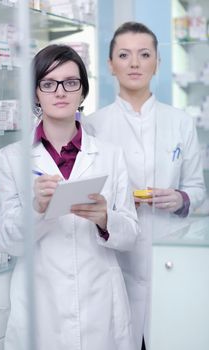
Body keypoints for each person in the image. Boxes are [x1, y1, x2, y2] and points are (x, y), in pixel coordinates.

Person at [0, 44, 140, 350]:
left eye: (70, 83)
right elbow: (9, 241)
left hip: (100, 305)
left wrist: (104, 219)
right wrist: (36, 208)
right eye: (48, 84)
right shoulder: (11, 159)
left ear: (82, 92)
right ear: (36, 93)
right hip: (41, 305)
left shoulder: (110, 156)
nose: (60, 92)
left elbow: (130, 236)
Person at [83, 22, 206, 350]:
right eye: (124, 55)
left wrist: (179, 197)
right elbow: (86, 193)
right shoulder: (93, 125)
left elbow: (197, 188)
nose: (134, 63)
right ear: (110, 64)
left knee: (172, 337)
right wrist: (117, 203)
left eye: (144, 54)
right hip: (113, 262)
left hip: (170, 257)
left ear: (157, 63)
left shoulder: (179, 121)